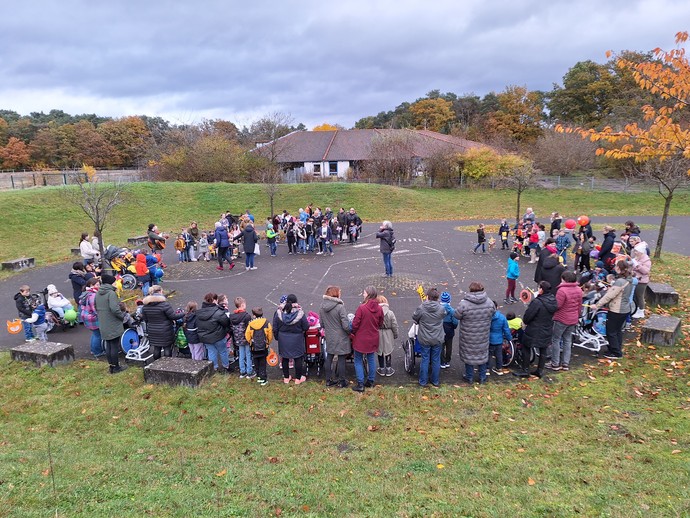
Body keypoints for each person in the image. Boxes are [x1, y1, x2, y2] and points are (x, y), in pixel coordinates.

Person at [514, 281, 557, 378]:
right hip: (547, 327)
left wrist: (525, 322)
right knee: (543, 349)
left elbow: (528, 316)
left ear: (541, 289)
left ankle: (525, 369)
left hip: (534, 329)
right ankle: (540, 370)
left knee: (526, 346)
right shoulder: (553, 300)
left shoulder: (537, 302)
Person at [454, 282, 495, 384]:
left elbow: (456, 315)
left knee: (469, 356)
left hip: (468, 335)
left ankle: (469, 377)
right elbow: (493, 313)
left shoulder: (464, 304)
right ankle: (482, 377)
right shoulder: (489, 303)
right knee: (482, 355)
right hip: (483, 334)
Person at [594, 259, 634, 359]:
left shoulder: (620, 281)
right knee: (617, 330)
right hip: (625, 309)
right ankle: (616, 348)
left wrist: (598, 305)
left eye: (616, 266)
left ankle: (615, 352)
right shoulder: (629, 279)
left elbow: (609, 296)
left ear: (619, 268)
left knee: (611, 331)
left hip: (617, 309)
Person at [351, 286, 384, 392]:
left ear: (369, 295)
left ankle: (360, 384)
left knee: (358, 360)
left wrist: (353, 332)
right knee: (371, 359)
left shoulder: (362, 308)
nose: (363, 294)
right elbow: (380, 323)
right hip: (373, 338)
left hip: (361, 338)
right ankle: (370, 381)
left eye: (364, 293)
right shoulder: (379, 308)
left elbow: (355, 324)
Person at [548, 271, 583, 371]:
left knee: (556, 339)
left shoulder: (562, 291)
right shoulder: (579, 290)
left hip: (562, 318)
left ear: (564, 279)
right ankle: (565, 363)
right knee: (567, 340)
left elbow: (557, 305)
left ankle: (555, 363)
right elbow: (579, 305)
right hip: (573, 318)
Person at [412, 288, 446, 388]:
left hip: (425, 338)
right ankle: (435, 381)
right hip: (437, 337)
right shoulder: (441, 309)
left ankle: (423, 381)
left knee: (425, 359)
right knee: (436, 359)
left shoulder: (421, 308)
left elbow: (415, 317)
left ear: (427, 297)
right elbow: (443, 315)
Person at [320, 286, 352, 388]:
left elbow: (322, 323)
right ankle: (342, 381)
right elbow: (345, 325)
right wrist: (349, 332)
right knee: (341, 358)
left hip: (329, 335)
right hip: (341, 336)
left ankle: (328, 380)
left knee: (329, 357)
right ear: (335, 294)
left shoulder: (322, 307)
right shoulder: (340, 307)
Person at [95, 274, 128, 374]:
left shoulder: (98, 293)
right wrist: (122, 316)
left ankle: (111, 366)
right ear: (110, 283)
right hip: (112, 322)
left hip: (103, 321)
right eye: (114, 282)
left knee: (108, 345)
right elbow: (114, 308)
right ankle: (116, 367)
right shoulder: (111, 293)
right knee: (114, 345)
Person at [273, 294, 309, 384]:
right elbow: (306, 326)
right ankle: (298, 379)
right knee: (298, 358)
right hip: (297, 338)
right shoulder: (300, 313)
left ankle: (286, 378)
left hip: (283, 338)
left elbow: (275, 327)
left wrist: (277, 337)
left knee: (284, 357)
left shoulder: (278, 313)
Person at [141, 285, 178, 360]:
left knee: (156, 348)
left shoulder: (145, 306)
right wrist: (184, 313)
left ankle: (156, 364)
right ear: (160, 291)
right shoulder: (164, 305)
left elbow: (145, 319)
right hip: (165, 330)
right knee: (167, 348)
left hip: (152, 330)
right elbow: (173, 316)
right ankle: (167, 364)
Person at [197, 292, 232, 373]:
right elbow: (226, 322)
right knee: (223, 351)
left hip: (205, 337)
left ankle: (214, 368)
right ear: (215, 300)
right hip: (218, 336)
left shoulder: (199, 312)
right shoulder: (218, 312)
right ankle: (226, 366)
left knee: (211, 352)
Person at [245, 307, 273, 386]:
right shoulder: (267, 323)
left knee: (256, 361)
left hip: (254, 347)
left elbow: (247, 335)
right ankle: (263, 379)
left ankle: (259, 377)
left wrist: (250, 342)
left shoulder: (250, 324)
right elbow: (270, 335)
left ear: (254, 315)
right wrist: (268, 342)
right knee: (263, 363)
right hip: (264, 346)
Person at [79, 277, 105, 357]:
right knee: (98, 335)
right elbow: (95, 309)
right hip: (92, 318)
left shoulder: (86, 293)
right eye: (97, 284)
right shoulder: (93, 295)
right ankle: (97, 352)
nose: (99, 286)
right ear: (91, 285)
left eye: (99, 284)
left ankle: (93, 350)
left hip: (86, 316)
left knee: (95, 334)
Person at [229, 297, 254, 378]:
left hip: (237, 338)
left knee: (241, 354)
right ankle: (249, 371)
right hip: (246, 339)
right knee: (248, 354)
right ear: (242, 305)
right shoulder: (247, 316)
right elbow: (249, 328)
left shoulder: (232, 316)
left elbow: (231, 328)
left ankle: (242, 371)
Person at [629, 235, 651, 319]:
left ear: (641, 252)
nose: (635, 253)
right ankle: (637, 308)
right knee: (635, 295)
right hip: (635, 279)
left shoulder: (646, 260)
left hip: (642, 281)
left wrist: (637, 265)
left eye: (637, 251)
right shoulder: (637, 258)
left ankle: (641, 310)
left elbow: (645, 271)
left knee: (640, 296)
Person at [376, 295, 399, 377]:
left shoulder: (375, 312)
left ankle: (381, 368)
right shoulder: (390, 313)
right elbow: (394, 325)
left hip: (378, 333)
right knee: (388, 351)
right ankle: (388, 368)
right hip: (388, 333)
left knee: (380, 352)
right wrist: (395, 334)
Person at [488, 304, 512, 376]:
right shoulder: (502, 317)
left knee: (488, 354)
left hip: (489, 339)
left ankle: (487, 369)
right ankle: (499, 368)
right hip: (499, 339)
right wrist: (509, 338)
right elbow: (506, 330)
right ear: (497, 307)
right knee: (499, 355)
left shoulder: (487, 317)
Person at [440, 291, 458, 369]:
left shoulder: (438, 309)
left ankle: (442, 361)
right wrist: (453, 327)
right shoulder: (452, 311)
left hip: (440, 329)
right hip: (449, 330)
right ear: (449, 300)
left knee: (441, 346)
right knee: (449, 346)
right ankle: (447, 360)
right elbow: (455, 322)